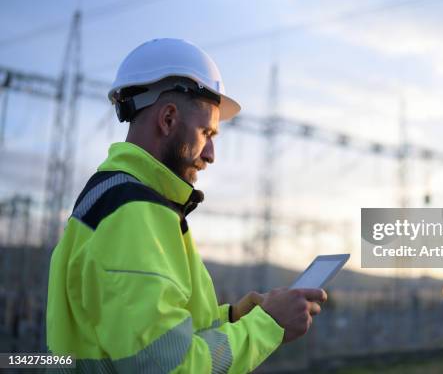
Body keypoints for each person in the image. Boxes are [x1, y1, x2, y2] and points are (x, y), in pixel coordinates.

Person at [46, 38, 327, 373]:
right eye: (206, 133)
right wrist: (269, 325)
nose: (211, 155)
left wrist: (234, 318)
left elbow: (157, 337)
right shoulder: (133, 213)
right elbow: (173, 366)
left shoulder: (118, 198)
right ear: (167, 119)